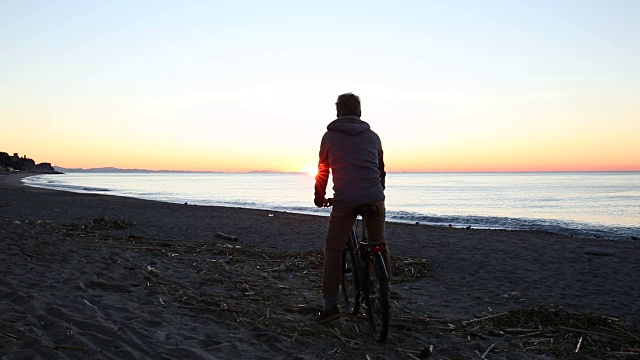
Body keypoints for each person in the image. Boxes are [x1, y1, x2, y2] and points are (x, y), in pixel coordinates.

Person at [313, 92, 389, 323]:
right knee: (379, 244)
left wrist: (319, 196)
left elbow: (323, 170)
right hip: (374, 198)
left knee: (334, 249)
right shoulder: (373, 136)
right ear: (359, 112)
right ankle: (384, 289)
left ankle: (330, 306)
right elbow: (380, 169)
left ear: (338, 112)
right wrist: (379, 193)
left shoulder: (329, 136)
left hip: (345, 200)